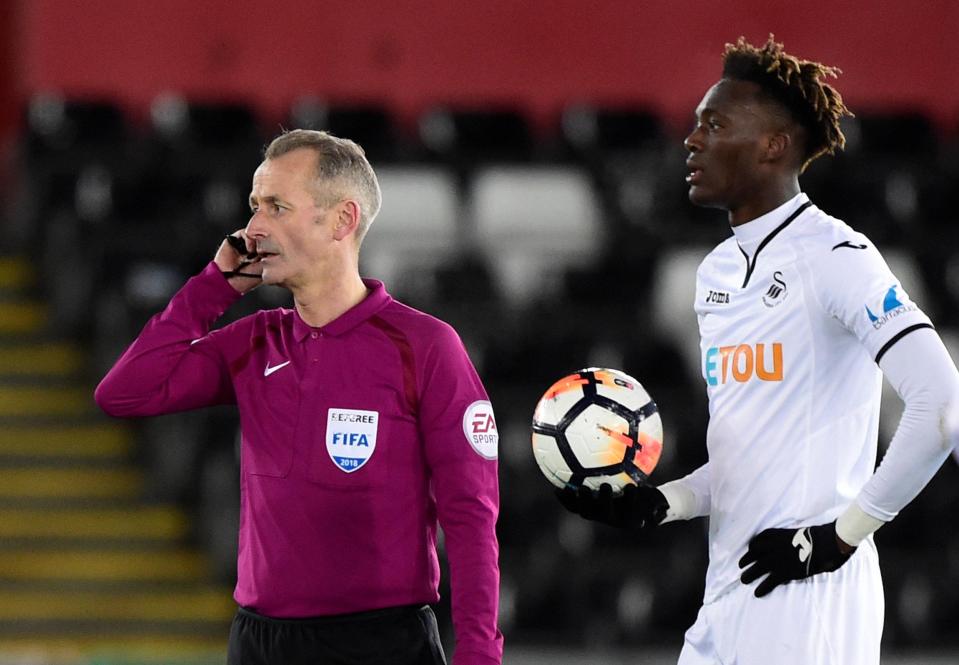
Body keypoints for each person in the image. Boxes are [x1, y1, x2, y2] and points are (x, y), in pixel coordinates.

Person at [558, 35, 959, 664]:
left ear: (774, 145)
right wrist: (666, 503)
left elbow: (941, 404)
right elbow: (747, 458)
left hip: (814, 598)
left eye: (714, 125)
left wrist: (840, 537)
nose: (692, 141)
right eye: (695, 125)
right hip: (732, 589)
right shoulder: (716, 273)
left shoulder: (837, 257)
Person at [95, 129, 503, 665]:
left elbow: (471, 516)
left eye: (277, 207)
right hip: (260, 644)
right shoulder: (255, 341)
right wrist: (213, 287)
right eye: (255, 206)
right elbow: (124, 394)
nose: (254, 228)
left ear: (342, 220)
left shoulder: (425, 346)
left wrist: (479, 655)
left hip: (379, 644)